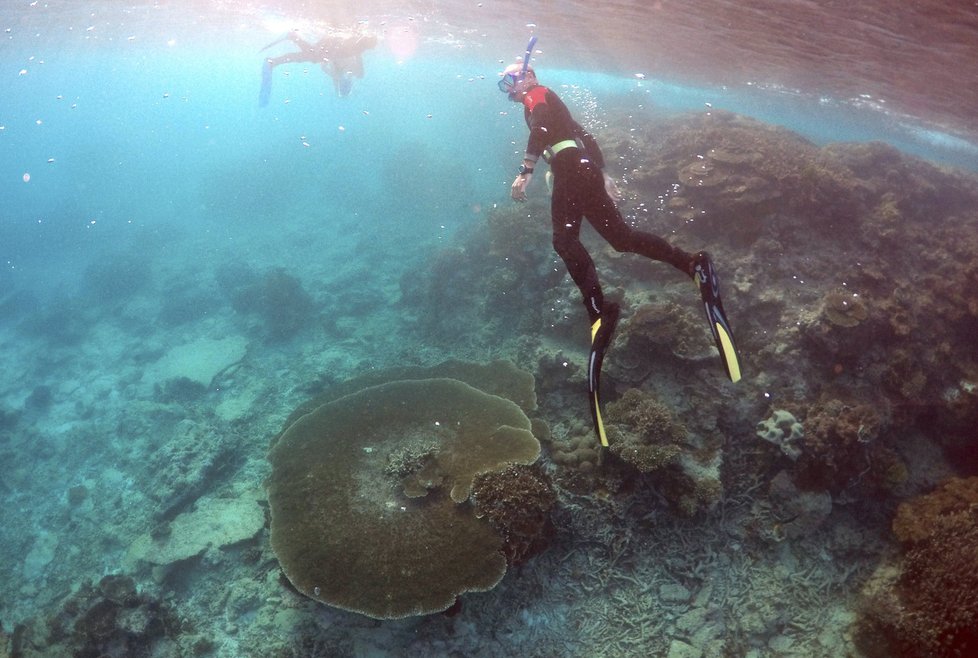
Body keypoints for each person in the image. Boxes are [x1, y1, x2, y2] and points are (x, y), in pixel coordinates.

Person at [498, 41, 741, 446]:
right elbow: (583, 137)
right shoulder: (548, 99)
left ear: (527, 76)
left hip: (574, 172)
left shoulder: (537, 96)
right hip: (584, 170)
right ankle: (691, 264)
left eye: (510, 78)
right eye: (504, 82)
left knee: (563, 240)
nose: (508, 86)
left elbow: (542, 128)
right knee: (622, 239)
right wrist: (602, 176)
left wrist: (525, 172)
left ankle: (601, 310)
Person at [259, 30, 378, 104]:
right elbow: (355, 50)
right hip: (334, 42)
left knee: (311, 56)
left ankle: (276, 58)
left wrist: (326, 62)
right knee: (312, 56)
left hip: (333, 45)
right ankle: (278, 55)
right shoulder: (355, 70)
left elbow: (330, 71)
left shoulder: (339, 74)